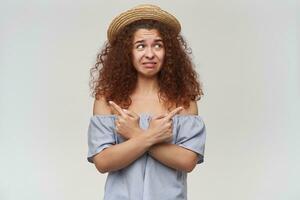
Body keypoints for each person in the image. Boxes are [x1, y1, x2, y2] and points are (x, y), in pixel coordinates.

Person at [87, 4, 207, 200]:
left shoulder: (183, 101)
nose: (150, 54)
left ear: (168, 52)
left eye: (158, 45)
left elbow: (187, 161)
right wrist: (151, 136)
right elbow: (102, 162)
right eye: (140, 45)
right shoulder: (107, 100)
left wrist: (135, 133)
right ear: (127, 52)